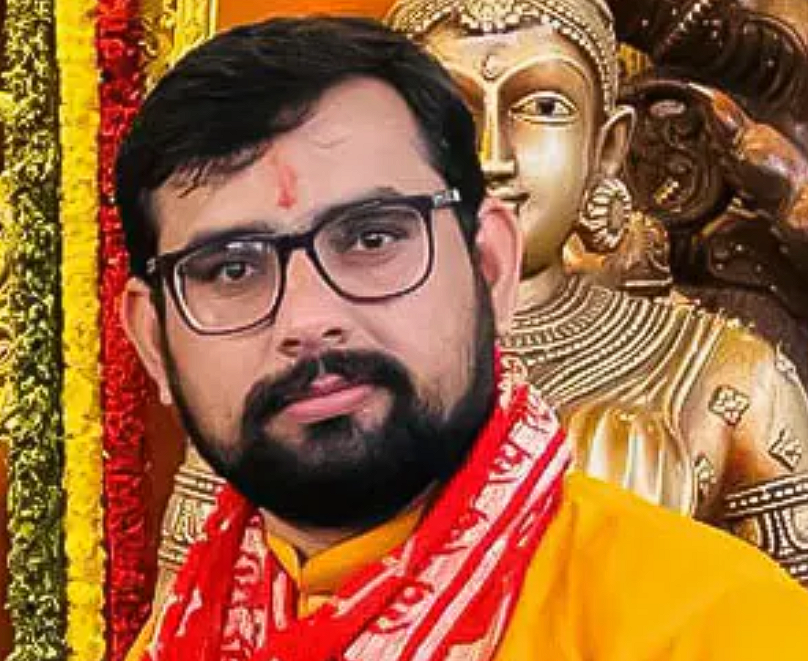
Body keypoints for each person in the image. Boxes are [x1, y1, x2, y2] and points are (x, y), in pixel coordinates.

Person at [116, 16, 808, 661]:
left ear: (490, 267)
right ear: (154, 340)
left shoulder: (717, 625)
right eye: (232, 268)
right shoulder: (185, 628)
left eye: (372, 238)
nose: (307, 319)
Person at [386, 0, 808, 581]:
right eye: (451, 111)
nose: (491, 158)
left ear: (607, 147)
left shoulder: (722, 374)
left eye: (543, 107)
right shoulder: (313, 365)